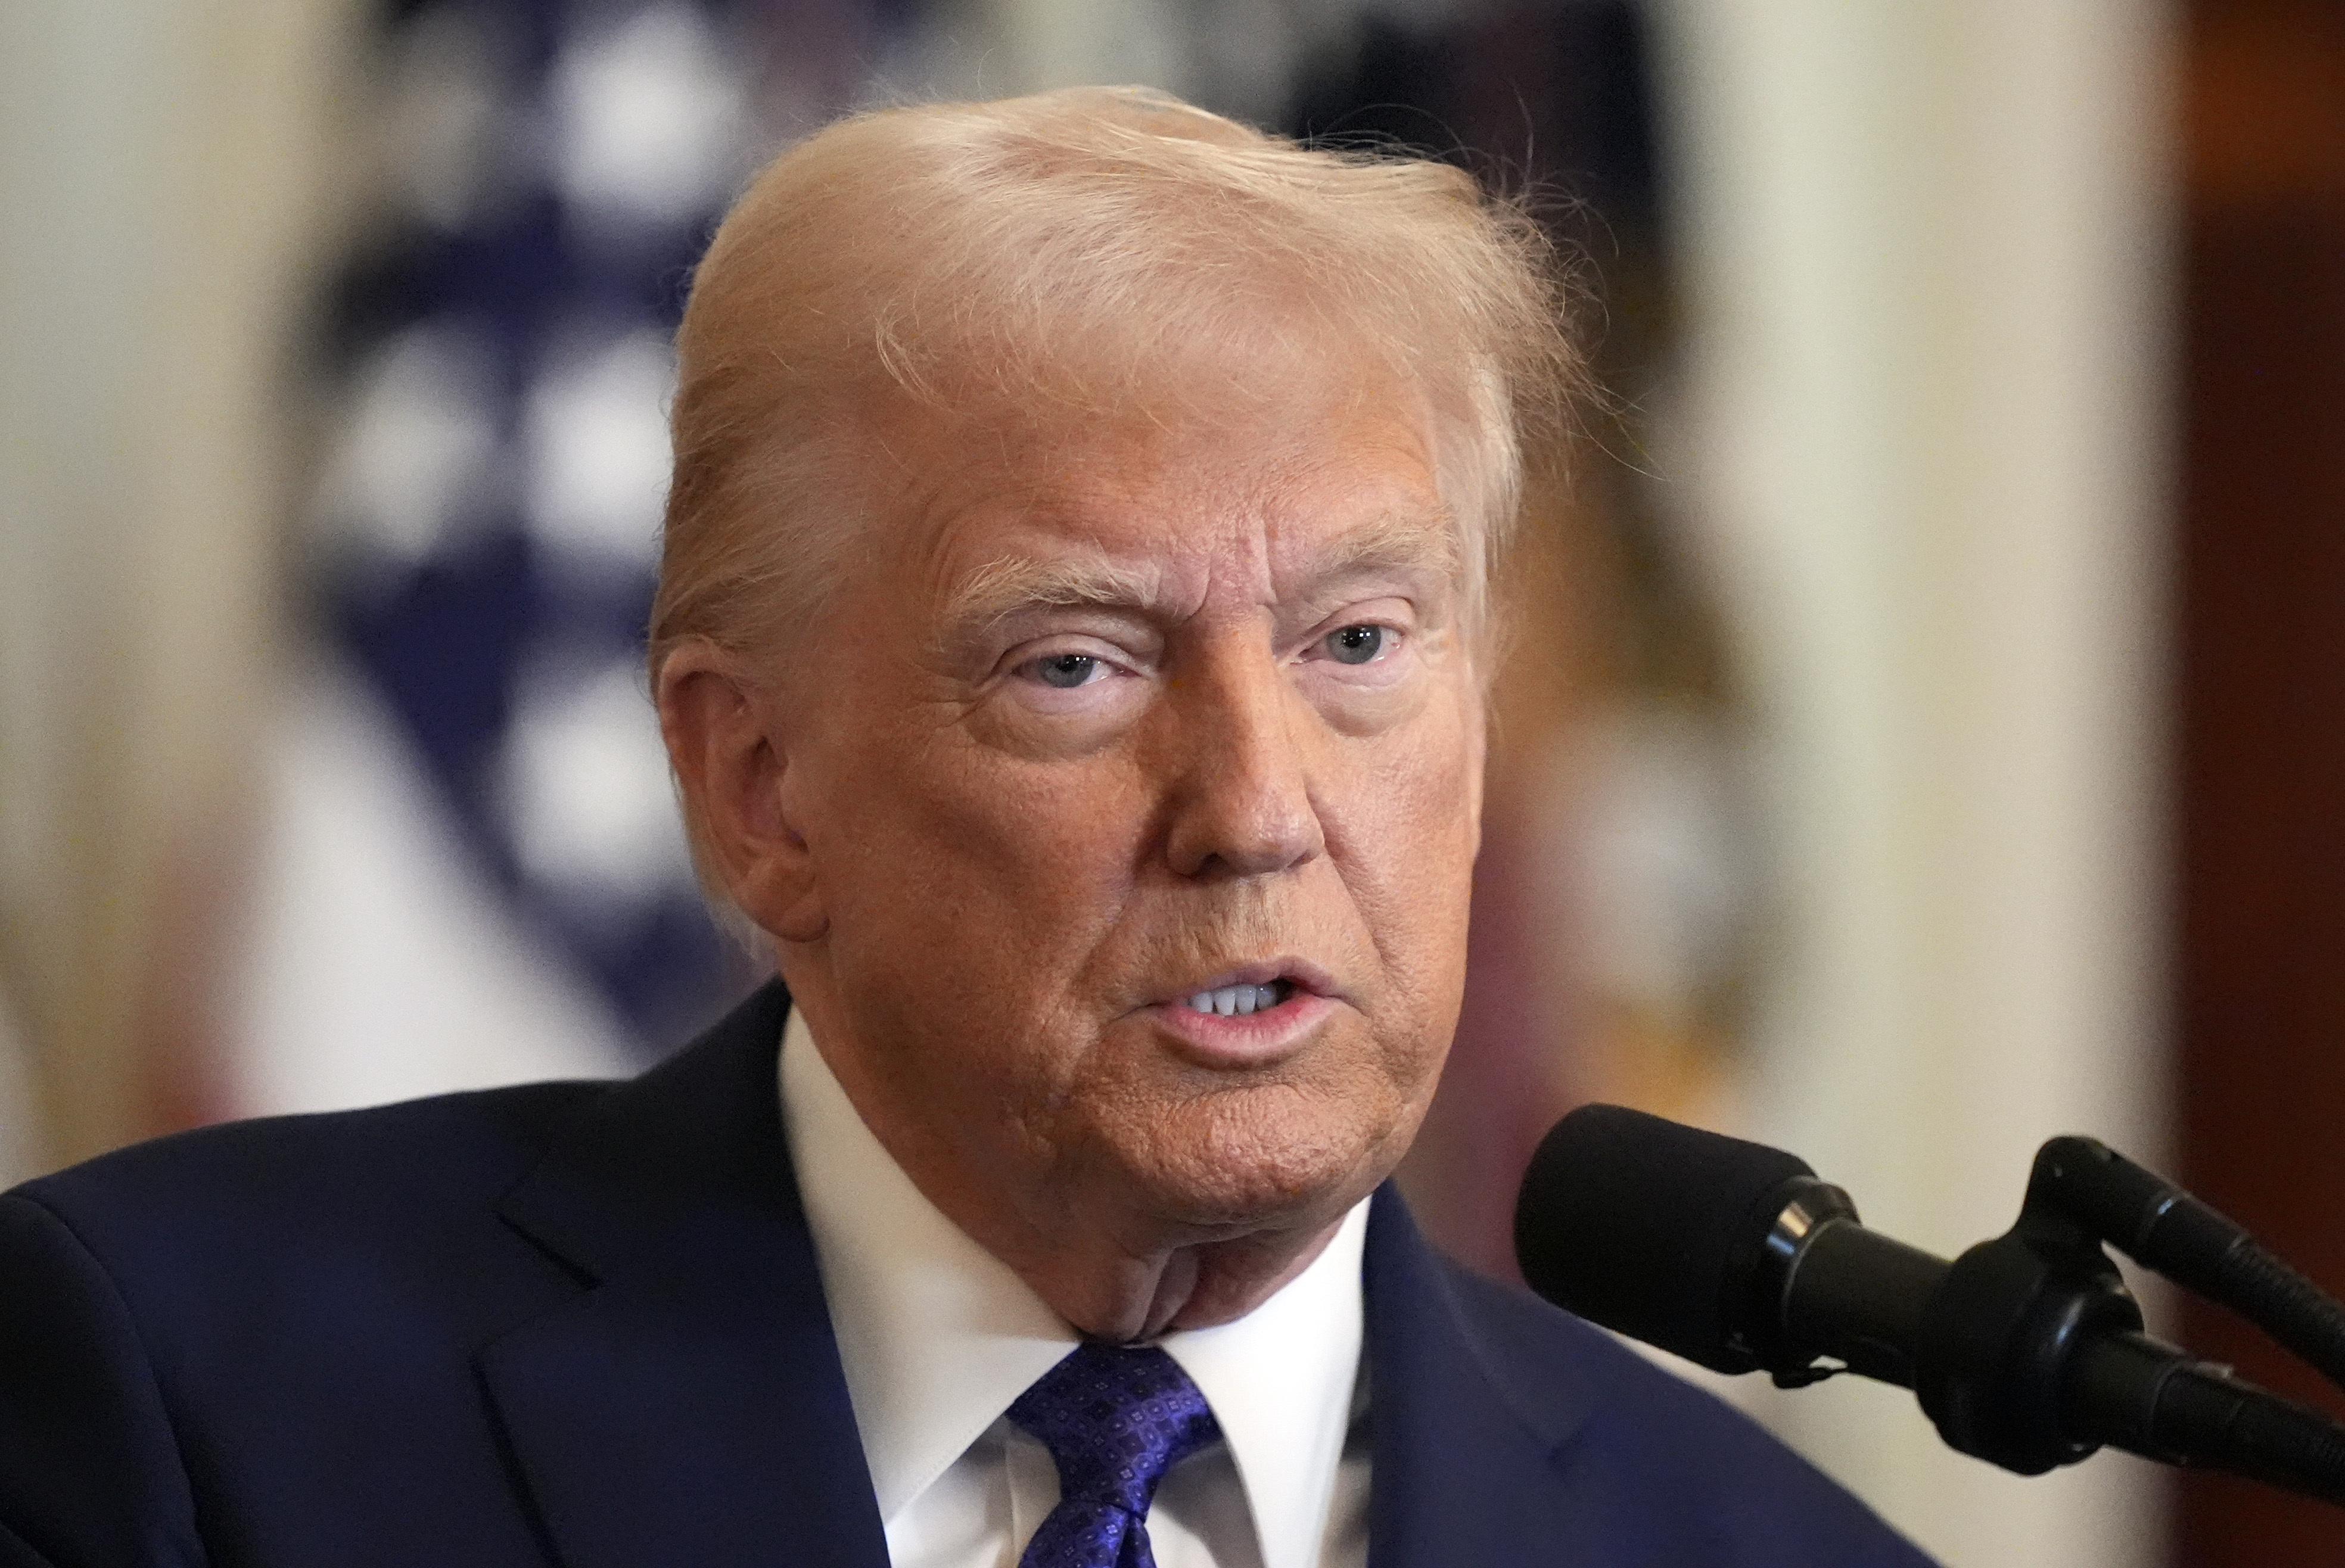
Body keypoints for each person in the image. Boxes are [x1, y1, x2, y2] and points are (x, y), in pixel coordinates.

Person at [0, 88, 1936, 1567]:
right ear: (759, 789)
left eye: (1357, 641)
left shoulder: (1769, 1548)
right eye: (1078, 665)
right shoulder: (184, 1408)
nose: (1257, 812)